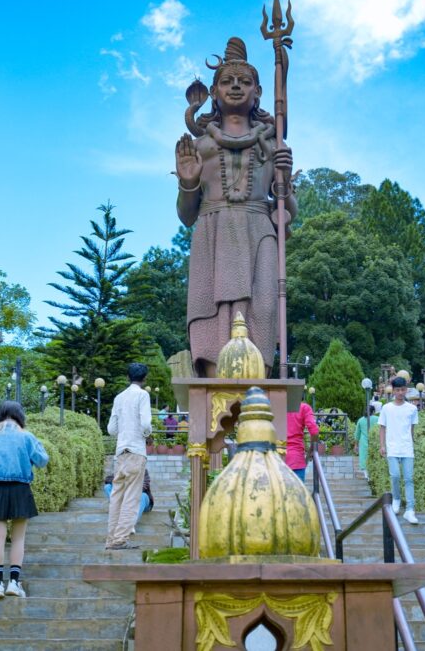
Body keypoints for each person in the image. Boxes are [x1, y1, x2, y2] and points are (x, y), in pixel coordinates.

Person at [175, 36, 296, 377]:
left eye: (245, 82)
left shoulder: (273, 145)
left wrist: (285, 178)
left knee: (263, 310)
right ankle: (214, 381)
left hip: (259, 231)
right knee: (212, 316)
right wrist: (188, 182)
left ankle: (257, 381)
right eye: (227, 81)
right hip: (213, 232)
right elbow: (186, 215)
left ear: (258, 92)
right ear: (213, 92)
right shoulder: (200, 146)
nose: (236, 87)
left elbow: (287, 214)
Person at [0, 401, 49, 599]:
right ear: (20, 415)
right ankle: (14, 583)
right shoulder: (26, 435)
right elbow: (43, 460)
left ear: (0, 415)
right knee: (18, 538)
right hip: (20, 489)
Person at [106, 362, 153, 549]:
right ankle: (120, 540)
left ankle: (110, 539)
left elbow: (111, 429)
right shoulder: (143, 395)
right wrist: (146, 435)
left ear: (128, 377)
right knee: (132, 497)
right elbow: (146, 424)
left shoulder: (119, 397)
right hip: (136, 451)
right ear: (145, 378)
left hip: (121, 454)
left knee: (116, 496)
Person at [378, 377, 420, 524]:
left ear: (406, 389)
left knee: (409, 479)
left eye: (403, 389)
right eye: (397, 390)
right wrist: (382, 445)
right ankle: (396, 499)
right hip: (393, 448)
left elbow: (412, 429)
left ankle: (410, 510)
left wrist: (414, 443)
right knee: (395, 476)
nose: (400, 392)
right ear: (393, 390)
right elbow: (382, 428)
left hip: (407, 448)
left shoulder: (412, 409)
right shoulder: (386, 408)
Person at [285, 400, 319, 482]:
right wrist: (310, 452)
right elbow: (314, 431)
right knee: (298, 494)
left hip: (276, 459)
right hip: (296, 459)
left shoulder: (274, 406)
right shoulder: (304, 407)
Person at [354, 408, 379, 480]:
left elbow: (357, 434)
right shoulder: (377, 419)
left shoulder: (361, 420)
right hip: (375, 441)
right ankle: (374, 475)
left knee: (364, 458)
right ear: (373, 411)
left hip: (363, 442)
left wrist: (356, 445)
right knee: (374, 458)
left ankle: (366, 476)